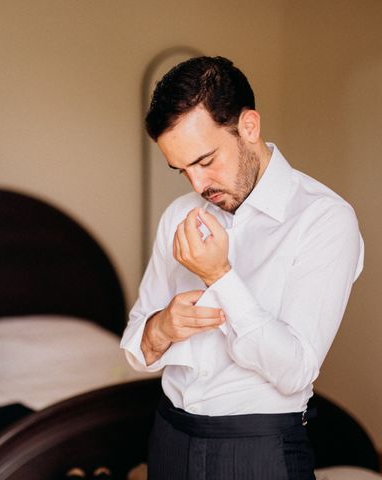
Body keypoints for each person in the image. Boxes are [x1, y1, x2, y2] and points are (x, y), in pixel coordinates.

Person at [120, 56, 364, 480]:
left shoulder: (323, 218)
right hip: (169, 436)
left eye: (205, 160)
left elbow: (295, 371)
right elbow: (137, 342)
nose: (198, 186)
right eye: (182, 170)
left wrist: (220, 276)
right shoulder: (180, 214)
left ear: (248, 126)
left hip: (257, 448)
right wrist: (163, 327)